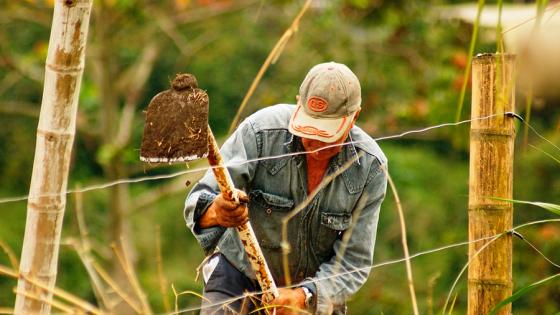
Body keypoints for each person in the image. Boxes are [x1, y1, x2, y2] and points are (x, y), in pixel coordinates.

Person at [184, 62, 387, 314]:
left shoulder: (370, 167)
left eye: (325, 133)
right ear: (298, 105)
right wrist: (217, 211)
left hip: (312, 298)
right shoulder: (260, 132)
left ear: (353, 118)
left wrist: (303, 297)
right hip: (237, 278)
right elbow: (198, 202)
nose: (313, 141)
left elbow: (353, 262)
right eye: (308, 128)